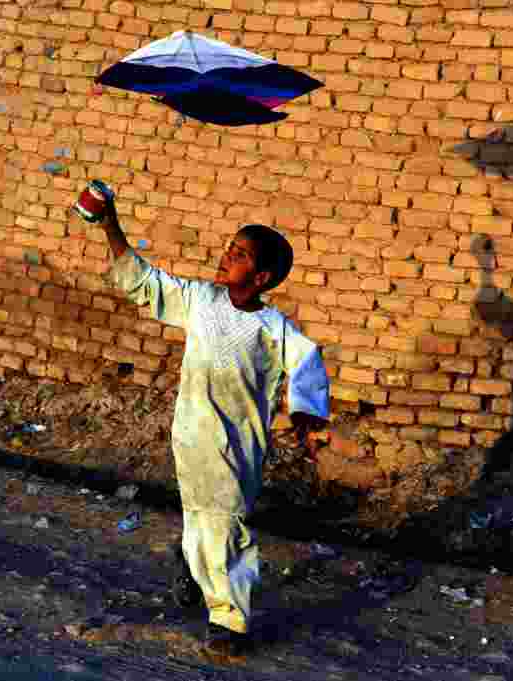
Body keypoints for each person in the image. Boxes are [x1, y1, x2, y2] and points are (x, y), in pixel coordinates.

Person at [99, 195, 330, 658]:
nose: (227, 256)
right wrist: (109, 223)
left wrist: (305, 412)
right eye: (231, 248)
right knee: (202, 516)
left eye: (240, 255)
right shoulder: (201, 300)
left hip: (238, 444)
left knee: (224, 524)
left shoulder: (271, 327)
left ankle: (229, 622)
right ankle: (194, 564)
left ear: (261, 277)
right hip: (191, 433)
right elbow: (144, 281)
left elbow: (306, 361)